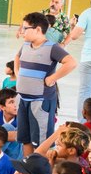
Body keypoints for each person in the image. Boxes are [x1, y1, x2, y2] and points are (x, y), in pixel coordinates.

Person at [15, 12, 77, 155]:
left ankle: (39, 172)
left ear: (37, 29)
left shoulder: (52, 47)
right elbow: (17, 57)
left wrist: (52, 78)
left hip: (40, 102)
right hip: (23, 100)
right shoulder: (26, 45)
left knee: (41, 141)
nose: (21, 31)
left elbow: (71, 63)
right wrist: (18, 73)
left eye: (25, 28)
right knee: (26, 139)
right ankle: (28, 169)